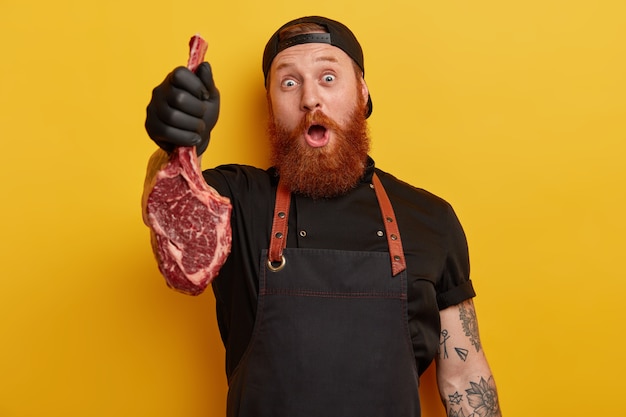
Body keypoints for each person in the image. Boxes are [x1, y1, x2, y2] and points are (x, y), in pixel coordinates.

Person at [144, 15, 502, 417]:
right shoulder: (237, 199)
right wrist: (176, 148)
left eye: (328, 77)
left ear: (363, 93)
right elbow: (176, 231)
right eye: (289, 82)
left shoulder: (431, 219)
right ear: (271, 106)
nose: (310, 98)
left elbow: (464, 378)